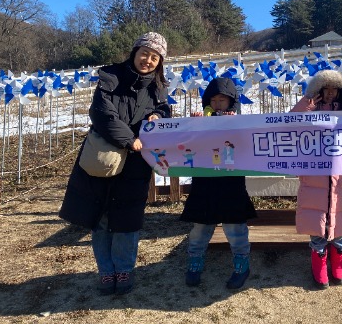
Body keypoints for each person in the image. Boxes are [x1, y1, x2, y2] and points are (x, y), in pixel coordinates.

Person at [59, 32, 171, 295]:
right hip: (105, 156)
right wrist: (129, 139)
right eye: (144, 53)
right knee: (101, 217)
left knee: (128, 218)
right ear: (134, 52)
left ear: (160, 62)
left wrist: (158, 114)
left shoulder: (158, 87)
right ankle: (106, 271)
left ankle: (124, 269)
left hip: (136, 163)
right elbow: (101, 113)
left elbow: (165, 109)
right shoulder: (111, 77)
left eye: (155, 57)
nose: (148, 60)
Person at [290, 69, 342, 289]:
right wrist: (305, 106)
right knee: (316, 226)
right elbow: (287, 123)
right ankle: (319, 264)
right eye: (326, 88)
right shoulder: (309, 110)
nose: (331, 93)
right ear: (319, 91)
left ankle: (338, 263)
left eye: (336, 89)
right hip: (314, 176)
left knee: (340, 222)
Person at [180, 77, 257, 290]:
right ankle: (195, 260)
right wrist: (192, 125)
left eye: (222, 100)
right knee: (200, 226)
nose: (217, 105)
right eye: (213, 100)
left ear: (232, 102)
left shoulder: (240, 122)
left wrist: (235, 124)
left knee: (235, 226)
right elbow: (187, 144)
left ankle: (242, 263)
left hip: (231, 183)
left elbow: (249, 144)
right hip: (204, 182)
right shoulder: (199, 121)